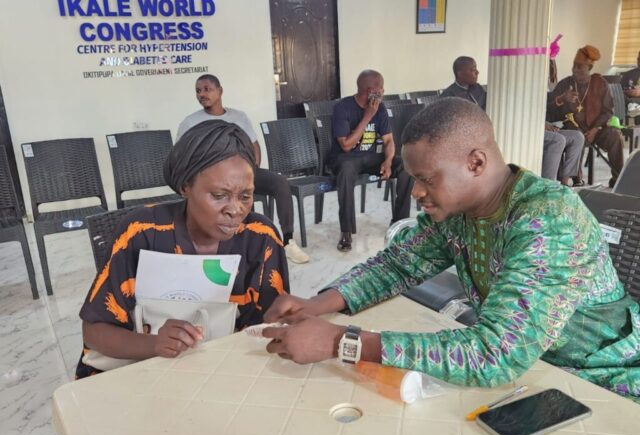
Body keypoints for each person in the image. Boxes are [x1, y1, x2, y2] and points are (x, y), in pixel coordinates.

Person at [262, 98, 640, 401]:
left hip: (604, 377)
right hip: (535, 370)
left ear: (475, 163)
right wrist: (317, 303)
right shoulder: (460, 210)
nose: (417, 192)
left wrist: (340, 342)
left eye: (426, 179)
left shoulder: (548, 220)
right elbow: (399, 264)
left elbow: (496, 353)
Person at [76, 120, 290, 379]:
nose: (235, 210)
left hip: (222, 374)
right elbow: (94, 331)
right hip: (143, 373)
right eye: (219, 195)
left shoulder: (260, 239)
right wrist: (154, 344)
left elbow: (269, 331)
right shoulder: (142, 233)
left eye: (245, 196)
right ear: (185, 186)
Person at [177, 74, 309, 264]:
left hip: (242, 175)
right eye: (198, 91)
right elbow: (181, 155)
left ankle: (287, 241)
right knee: (231, 195)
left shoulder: (239, 117)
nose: (202, 94)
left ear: (220, 91)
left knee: (279, 182)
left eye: (207, 89)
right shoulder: (190, 123)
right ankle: (236, 243)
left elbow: (254, 146)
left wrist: (250, 172)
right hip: (213, 180)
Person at [330, 69, 413, 251]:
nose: (383, 91)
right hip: (345, 159)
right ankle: (346, 232)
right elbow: (346, 145)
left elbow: (389, 140)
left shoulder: (380, 108)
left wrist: (388, 161)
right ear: (370, 91)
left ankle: (399, 223)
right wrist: (367, 116)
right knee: (346, 172)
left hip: (369, 157)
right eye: (381, 88)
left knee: (405, 166)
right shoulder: (342, 108)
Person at [547, 45, 624, 188]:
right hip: (574, 128)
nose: (574, 70)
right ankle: (576, 180)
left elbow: (608, 111)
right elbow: (549, 114)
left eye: (579, 67)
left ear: (589, 68)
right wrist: (562, 99)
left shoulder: (600, 83)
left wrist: (596, 128)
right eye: (574, 65)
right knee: (576, 136)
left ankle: (618, 179)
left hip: (597, 130)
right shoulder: (565, 84)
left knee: (615, 136)